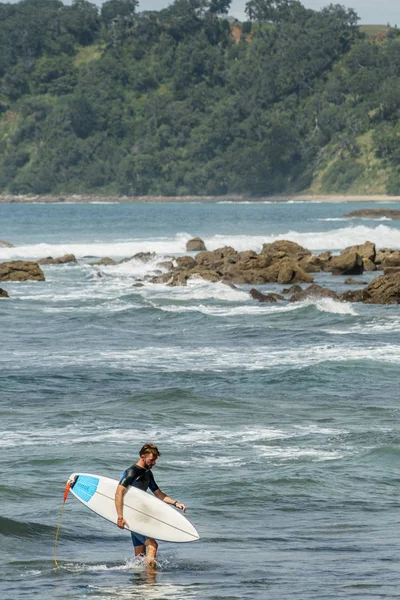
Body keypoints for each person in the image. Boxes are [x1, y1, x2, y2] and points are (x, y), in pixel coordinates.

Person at [115, 443, 186, 567]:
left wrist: (176, 503)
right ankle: (151, 582)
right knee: (153, 546)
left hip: (140, 516)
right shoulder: (132, 472)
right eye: (151, 460)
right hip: (132, 517)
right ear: (143, 456)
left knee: (139, 559)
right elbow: (118, 493)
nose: (154, 463)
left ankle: (139, 583)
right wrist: (120, 517)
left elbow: (158, 494)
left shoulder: (147, 473)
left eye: (155, 460)